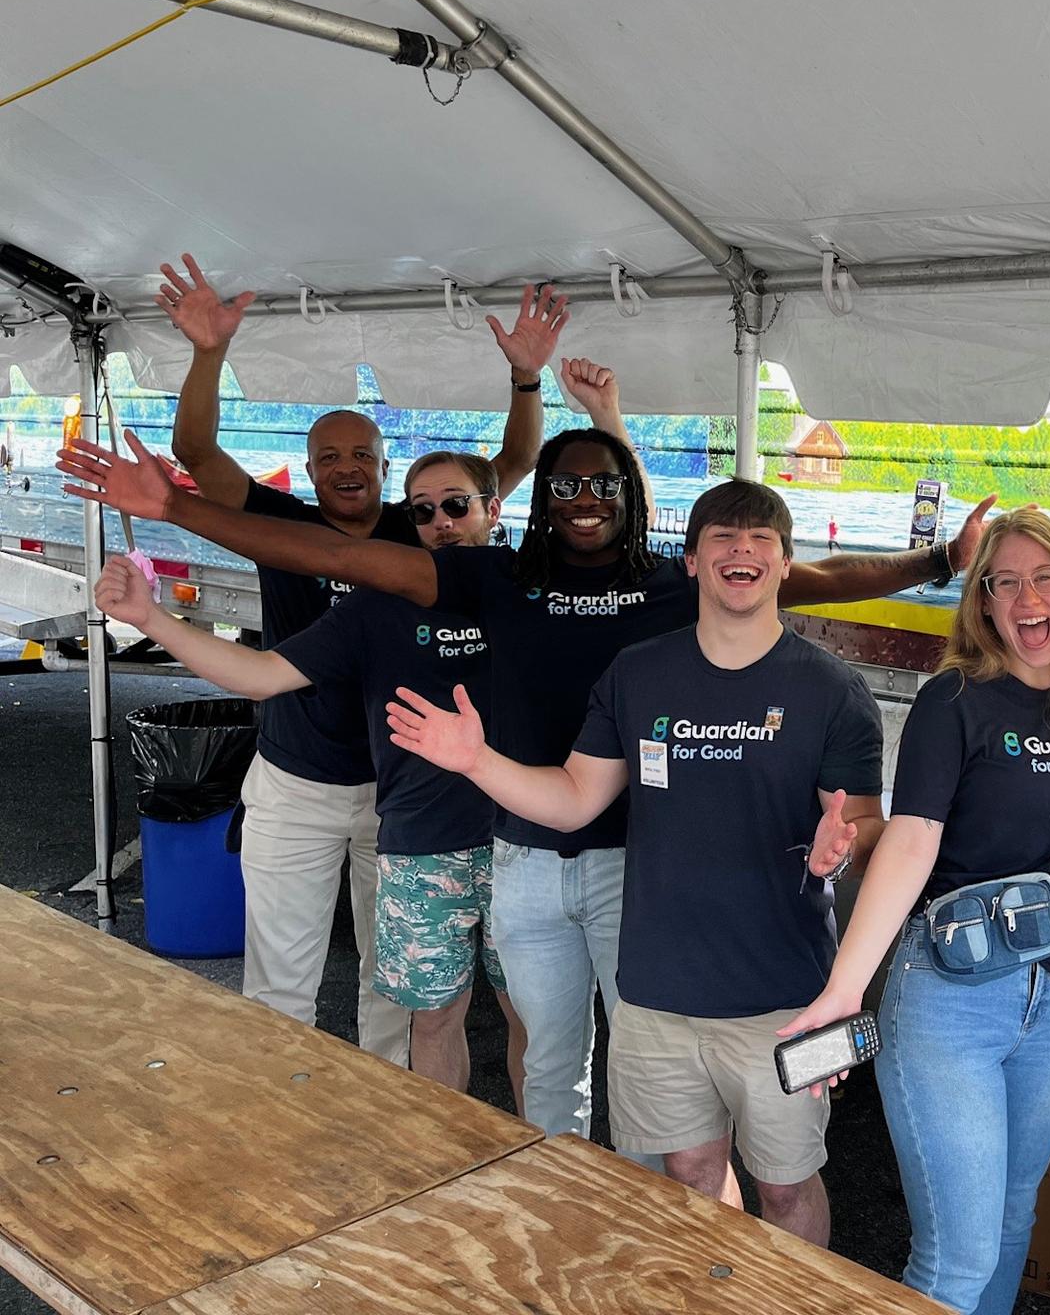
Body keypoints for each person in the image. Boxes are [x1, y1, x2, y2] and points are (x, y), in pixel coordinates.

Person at [58, 423, 992, 1137]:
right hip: (528, 852)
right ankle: (554, 1195)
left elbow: (822, 576)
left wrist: (944, 560)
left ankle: (656, 1209)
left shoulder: (677, 580)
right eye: (567, 484)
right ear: (541, 499)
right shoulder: (492, 580)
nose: (585, 497)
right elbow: (336, 556)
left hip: (638, 862)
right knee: (550, 1060)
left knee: (644, 1063)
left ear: (630, 496)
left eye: (603, 483)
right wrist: (176, 509)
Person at [88, 362, 632, 1100]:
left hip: (520, 843)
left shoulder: (527, 586)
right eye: (423, 511)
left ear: (492, 509)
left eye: (455, 507)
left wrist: (569, 399)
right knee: (413, 1011)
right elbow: (263, 668)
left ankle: (532, 1151)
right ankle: (370, 1138)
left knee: (532, 1020)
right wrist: (153, 617)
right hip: (392, 824)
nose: (439, 521)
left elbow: (613, 535)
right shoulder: (380, 599)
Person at [387, 479, 884, 1246]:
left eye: (761, 539)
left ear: (786, 564)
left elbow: (864, 825)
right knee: (688, 1172)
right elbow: (576, 797)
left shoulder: (831, 690)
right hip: (654, 994)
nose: (740, 550)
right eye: (722, 537)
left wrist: (839, 850)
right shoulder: (638, 673)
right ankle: (721, 1294)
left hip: (782, 1001)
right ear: (688, 562)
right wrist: (478, 761)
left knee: (787, 1188)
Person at [780, 492, 1050, 1315]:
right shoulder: (955, 702)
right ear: (981, 600)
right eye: (1004, 581)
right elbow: (910, 841)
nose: (1028, 599)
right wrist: (845, 990)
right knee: (957, 1254)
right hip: (951, 997)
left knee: (1015, 1221)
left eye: (1044, 578)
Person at [155, 252, 561, 1062]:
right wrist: (209, 354)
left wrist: (526, 383)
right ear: (309, 470)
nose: (346, 467)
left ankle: (381, 1119)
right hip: (296, 780)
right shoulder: (279, 522)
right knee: (278, 977)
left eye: (362, 456)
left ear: (383, 468)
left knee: (394, 981)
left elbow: (509, 470)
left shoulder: (420, 535)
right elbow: (197, 455)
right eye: (330, 456)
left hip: (398, 791)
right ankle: (279, 1124)